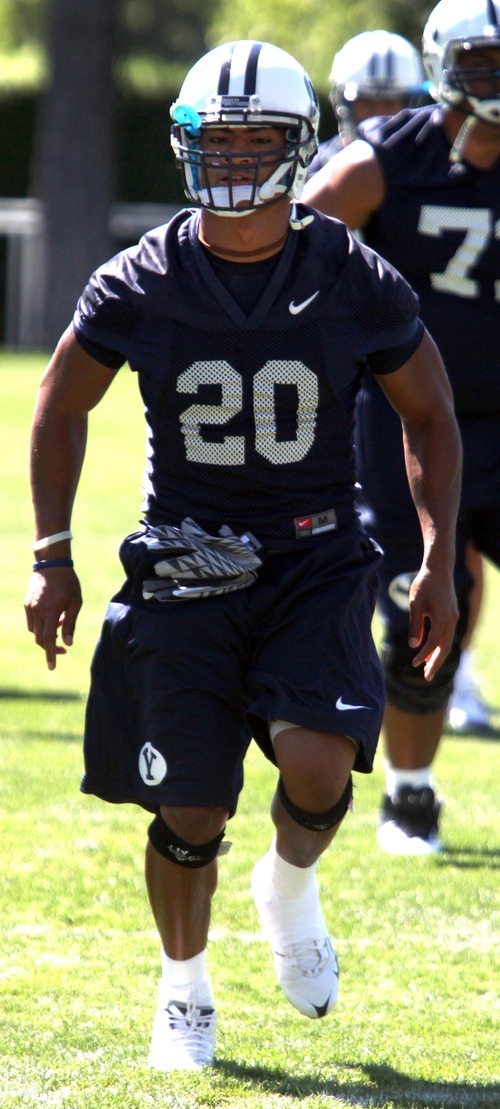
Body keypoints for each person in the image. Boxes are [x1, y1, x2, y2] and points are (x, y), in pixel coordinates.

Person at [24, 40, 461, 1071]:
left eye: (253, 141)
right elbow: (58, 404)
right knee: (188, 804)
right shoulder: (141, 276)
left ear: (295, 145)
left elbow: (429, 417)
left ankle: (289, 883)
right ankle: (182, 988)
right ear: (184, 149)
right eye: (212, 142)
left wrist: (436, 557)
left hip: (313, 557)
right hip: (183, 561)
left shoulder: (349, 272)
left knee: (314, 769)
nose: (229, 161)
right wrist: (51, 549)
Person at [304, 0, 500, 854]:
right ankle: (409, 796)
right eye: (485, 59)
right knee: (428, 594)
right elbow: (296, 252)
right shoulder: (385, 159)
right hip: (412, 416)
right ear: (444, 64)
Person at [308, 29, 427, 173]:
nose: (378, 115)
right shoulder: (313, 170)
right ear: (342, 103)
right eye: (367, 102)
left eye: (390, 102)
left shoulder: (434, 171)